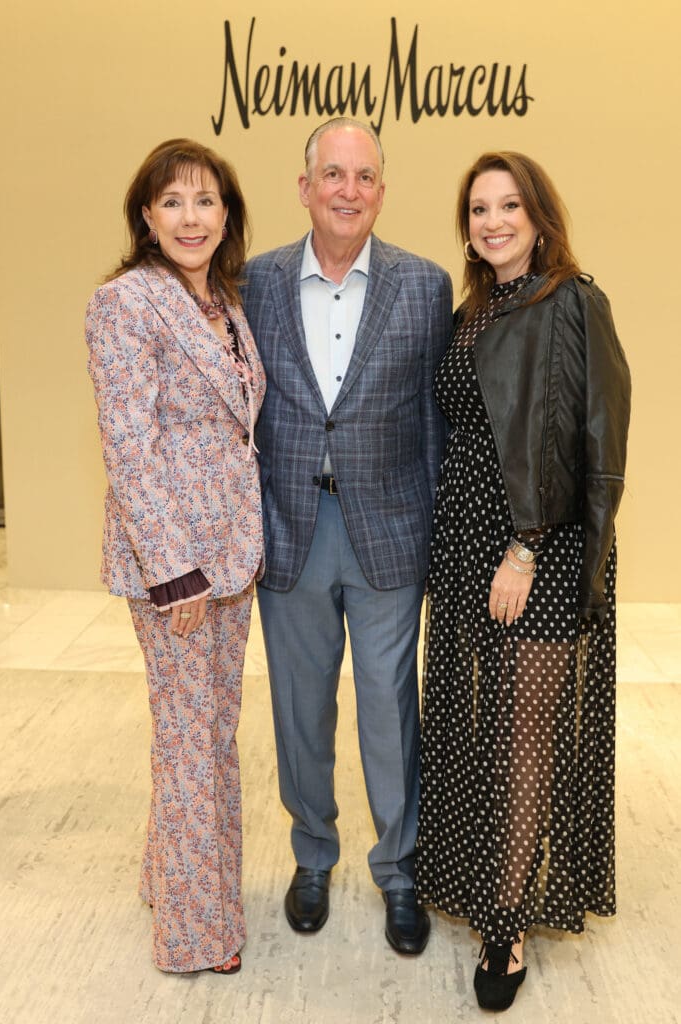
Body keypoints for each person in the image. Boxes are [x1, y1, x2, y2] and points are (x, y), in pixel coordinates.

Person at [415, 152, 631, 1010]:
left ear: (541, 216)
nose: (492, 221)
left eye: (509, 205)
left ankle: (504, 926)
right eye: (477, 207)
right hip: (465, 542)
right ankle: (484, 883)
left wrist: (526, 547)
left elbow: (596, 446)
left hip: (532, 550)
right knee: (482, 725)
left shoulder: (573, 302)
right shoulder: (473, 311)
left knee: (525, 734)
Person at [242, 117, 453, 954]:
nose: (348, 190)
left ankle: (399, 871)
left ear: (381, 190)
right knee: (299, 708)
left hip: (389, 533)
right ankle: (312, 856)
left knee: (387, 709)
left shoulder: (424, 284)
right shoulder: (253, 283)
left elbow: (436, 421)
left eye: (364, 177)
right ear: (304, 187)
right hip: (288, 527)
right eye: (333, 174)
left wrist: (437, 537)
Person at [86, 139, 266, 974]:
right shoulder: (124, 303)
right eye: (173, 202)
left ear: (225, 214)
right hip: (178, 568)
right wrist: (173, 572)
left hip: (232, 556)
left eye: (206, 201)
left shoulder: (222, 301)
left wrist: (228, 553)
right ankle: (197, 936)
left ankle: (171, 875)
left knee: (204, 733)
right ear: (146, 217)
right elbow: (129, 447)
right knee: (192, 745)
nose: (191, 217)